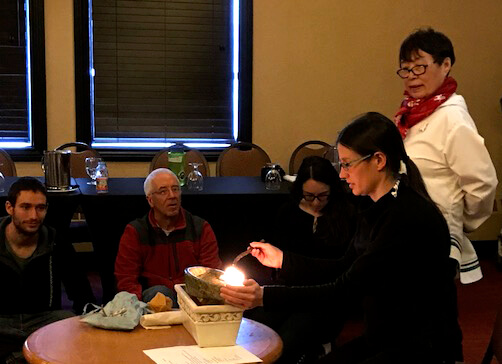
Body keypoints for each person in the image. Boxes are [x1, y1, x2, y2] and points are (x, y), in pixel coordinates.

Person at [221, 112, 463, 364]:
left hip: (420, 347)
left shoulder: (405, 218)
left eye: (347, 164)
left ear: (378, 160)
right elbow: (341, 267)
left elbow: (343, 291)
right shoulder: (373, 207)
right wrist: (284, 260)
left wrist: (264, 296)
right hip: (385, 337)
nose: (341, 175)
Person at [394, 27, 497, 284]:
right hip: (408, 229)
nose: (411, 77)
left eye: (420, 67)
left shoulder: (452, 117)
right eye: (405, 69)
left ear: (446, 64)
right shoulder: (413, 113)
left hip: (434, 237)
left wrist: (460, 222)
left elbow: (482, 184)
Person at [249, 156, 357, 363]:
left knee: (288, 341)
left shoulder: (347, 214)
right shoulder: (288, 213)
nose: (316, 202)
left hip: (326, 299)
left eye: (323, 196)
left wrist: (286, 261)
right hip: (289, 292)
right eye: (309, 196)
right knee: (256, 330)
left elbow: (342, 269)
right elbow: (277, 270)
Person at [0, 177, 95, 363]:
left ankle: (17, 356)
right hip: (3, 321)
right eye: (25, 207)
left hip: (43, 320)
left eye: (40, 208)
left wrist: (91, 322)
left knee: (71, 323)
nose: (34, 216)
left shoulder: (55, 241)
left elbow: (80, 291)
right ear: (9, 208)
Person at [114, 168, 222, 307]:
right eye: (163, 191)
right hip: (153, 301)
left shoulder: (200, 228)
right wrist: (138, 307)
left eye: (175, 189)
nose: (172, 196)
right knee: (160, 293)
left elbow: (212, 274)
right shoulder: (135, 232)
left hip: (193, 299)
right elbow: (126, 279)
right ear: (150, 200)